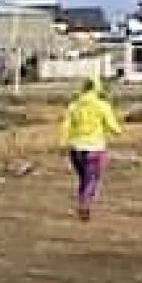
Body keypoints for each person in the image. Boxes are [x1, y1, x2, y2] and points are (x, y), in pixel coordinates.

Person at [59, 76, 122, 220]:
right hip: (95, 148)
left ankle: (82, 202)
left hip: (75, 149)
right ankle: (85, 205)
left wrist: (63, 142)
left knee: (83, 178)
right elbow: (113, 126)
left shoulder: (74, 106)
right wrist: (118, 131)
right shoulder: (102, 105)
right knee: (92, 179)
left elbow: (65, 126)